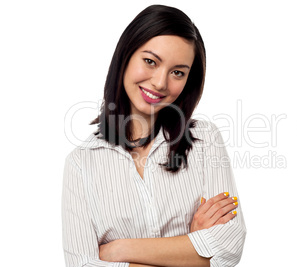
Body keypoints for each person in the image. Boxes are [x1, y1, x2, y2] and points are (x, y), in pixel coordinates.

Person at [62, 4, 246, 267]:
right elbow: (81, 265)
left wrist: (118, 251)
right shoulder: (81, 163)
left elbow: (228, 248)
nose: (160, 83)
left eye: (177, 72)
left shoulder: (205, 140)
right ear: (126, 56)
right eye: (150, 61)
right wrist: (192, 246)